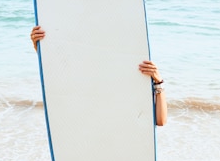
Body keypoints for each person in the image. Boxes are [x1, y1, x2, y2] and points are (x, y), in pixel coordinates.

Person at [30, 26, 167, 126]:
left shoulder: (133, 78)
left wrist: (158, 82)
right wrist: (42, 48)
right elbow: (60, 75)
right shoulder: (87, 82)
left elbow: (160, 121)